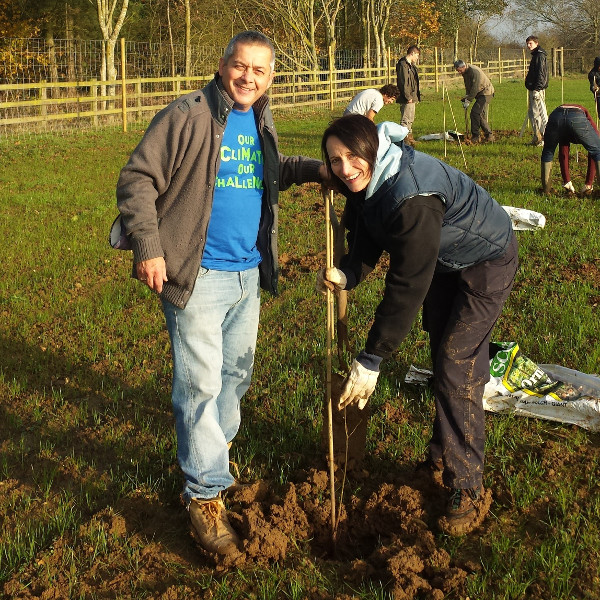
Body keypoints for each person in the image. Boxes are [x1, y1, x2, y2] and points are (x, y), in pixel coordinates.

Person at [116, 31, 325, 558]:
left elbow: (264, 173)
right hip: (197, 274)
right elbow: (138, 178)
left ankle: (213, 452)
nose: (248, 77)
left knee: (235, 375)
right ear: (222, 64)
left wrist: (317, 170)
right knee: (200, 383)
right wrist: (148, 246)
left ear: (271, 78)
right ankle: (203, 493)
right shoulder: (187, 115)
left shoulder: (259, 117)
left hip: (246, 275)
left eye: (259, 70)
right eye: (240, 66)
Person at [318, 114, 518, 536]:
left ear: (372, 149)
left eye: (353, 156)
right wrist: (349, 274)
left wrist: (371, 358)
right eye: (335, 160)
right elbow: (370, 233)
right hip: (445, 260)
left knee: (455, 364)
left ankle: (467, 484)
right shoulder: (368, 184)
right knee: (445, 358)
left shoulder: (413, 198)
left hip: (486, 258)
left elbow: (407, 283)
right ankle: (443, 452)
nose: (345, 168)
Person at [540, 104, 600, 196]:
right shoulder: (586, 118)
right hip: (577, 116)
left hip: (556, 115)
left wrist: (567, 181)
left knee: (548, 151)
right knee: (597, 151)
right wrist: (589, 183)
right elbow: (595, 150)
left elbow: (563, 151)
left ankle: (546, 189)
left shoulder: (565, 130)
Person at [453, 60, 495, 143]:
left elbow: (475, 87)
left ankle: (476, 136)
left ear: (463, 66)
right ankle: (489, 136)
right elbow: (468, 85)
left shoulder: (474, 71)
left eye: (459, 70)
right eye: (457, 71)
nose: (459, 72)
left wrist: (468, 100)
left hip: (486, 92)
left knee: (475, 113)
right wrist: (467, 96)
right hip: (480, 93)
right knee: (479, 115)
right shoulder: (465, 72)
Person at [525, 35, 549, 147]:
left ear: (536, 43)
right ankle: (537, 136)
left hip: (537, 90)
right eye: (527, 43)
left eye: (530, 43)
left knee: (539, 114)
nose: (528, 46)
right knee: (532, 114)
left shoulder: (539, 55)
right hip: (533, 88)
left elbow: (541, 74)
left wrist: (537, 89)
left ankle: (545, 138)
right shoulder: (536, 55)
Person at [396, 46, 421, 144]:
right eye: (417, 55)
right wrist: (408, 96)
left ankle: (410, 138)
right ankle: (404, 139)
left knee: (410, 118)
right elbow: (403, 82)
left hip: (412, 96)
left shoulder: (411, 65)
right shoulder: (403, 65)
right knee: (406, 119)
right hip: (407, 97)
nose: (417, 58)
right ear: (412, 53)